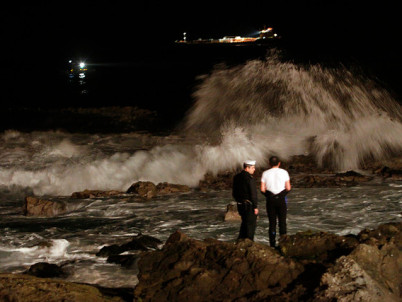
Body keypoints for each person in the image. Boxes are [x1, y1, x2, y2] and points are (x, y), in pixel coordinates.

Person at [260, 156, 291, 247]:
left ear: (269, 163)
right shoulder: (284, 172)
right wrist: (281, 195)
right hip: (281, 199)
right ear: (279, 163)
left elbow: (262, 189)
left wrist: (269, 195)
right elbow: (288, 188)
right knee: (282, 222)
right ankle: (283, 244)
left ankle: (272, 245)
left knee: (272, 223)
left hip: (270, 199)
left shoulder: (265, 173)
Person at [232, 160, 259, 240]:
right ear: (247, 168)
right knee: (250, 226)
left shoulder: (236, 177)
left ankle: (240, 242)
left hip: (240, 204)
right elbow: (253, 194)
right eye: (253, 168)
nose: (254, 169)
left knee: (244, 224)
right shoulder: (249, 178)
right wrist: (255, 206)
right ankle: (249, 244)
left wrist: (238, 200)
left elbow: (234, 192)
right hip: (248, 205)